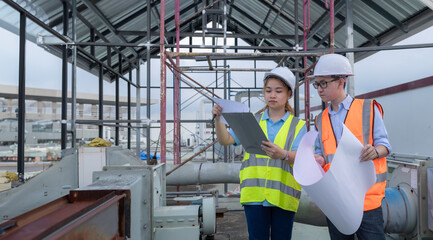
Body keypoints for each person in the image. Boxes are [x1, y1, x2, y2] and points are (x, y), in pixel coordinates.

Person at [212, 67, 306, 240]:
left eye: (278, 91)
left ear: (289, 94)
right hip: (254, 196)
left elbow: (304, 159)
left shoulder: (299, 126)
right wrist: (218, 120)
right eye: (268, 90)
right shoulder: (252, 120)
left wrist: (284, 154)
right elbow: (225, 140)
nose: (272, 95)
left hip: (283, 196)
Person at [311, 53, 391, 240]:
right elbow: (320, 152)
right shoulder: (320, 119)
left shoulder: (368, 108)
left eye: (323, 83)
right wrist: (318, 159)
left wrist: (375, 151)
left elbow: (385, 145)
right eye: (317, 84)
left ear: (341, 82)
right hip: (336, 200)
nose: (319, 89)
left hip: (367, 200)